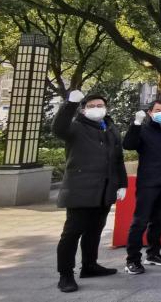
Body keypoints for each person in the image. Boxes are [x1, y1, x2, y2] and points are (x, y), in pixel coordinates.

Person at [52, 90, 128, 292]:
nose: (96, 109)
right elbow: (58, 128)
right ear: (83, 110)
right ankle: (66, 274)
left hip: (104, 190)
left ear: (106, 108)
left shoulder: (111, 128)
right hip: (81, 190)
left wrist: (122, 183)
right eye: (91, 106)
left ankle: (90, 265)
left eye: (100, 105)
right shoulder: (75, 127)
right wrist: (70, 104)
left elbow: (118, 159)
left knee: (95, 230)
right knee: (72, 233)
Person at [123, 100, 161, 275]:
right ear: (150, 113)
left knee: (157, 221)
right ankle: (132, 260)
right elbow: (128, 145)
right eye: (158, 110)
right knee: (140, 221)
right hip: (149, 183)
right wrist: (136, 123)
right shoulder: (143, 130)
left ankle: (153, 254)